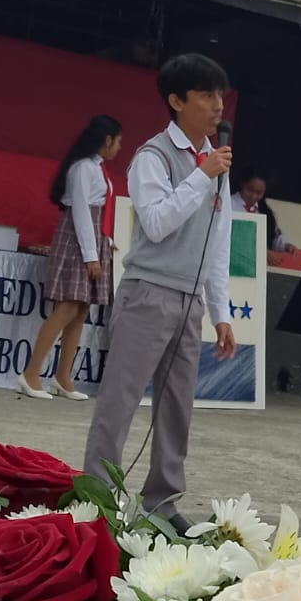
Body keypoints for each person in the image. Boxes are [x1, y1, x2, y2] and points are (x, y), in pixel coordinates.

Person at [83, 54, 235, 530]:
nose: (218, 105)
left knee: (177, 407)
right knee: (120, 400)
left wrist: (221, 312)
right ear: (176, 101)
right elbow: (156, 222)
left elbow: (218, 240)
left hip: (190, 300)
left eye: (220, 95)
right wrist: (202, 175)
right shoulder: (153, 157)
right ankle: (97, 498)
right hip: (148, 293)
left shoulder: (215, 161)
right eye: (206, 95)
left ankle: (162, 502)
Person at [18, 115, 122, 400]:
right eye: (117, 141)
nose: (119, 147)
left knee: (80, 309)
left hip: (91, 240)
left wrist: (105, 241)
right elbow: (81, 213)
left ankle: (63, 377)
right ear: (107, 140)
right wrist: (91, 255)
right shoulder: (82, 169)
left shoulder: (97, 168)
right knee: (66, 307)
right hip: (78, 241)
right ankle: (30, 374)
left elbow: (98, 214)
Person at [231, 171, 294, 264]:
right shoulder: (229, 205)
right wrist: (261, 252)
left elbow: (273, 236)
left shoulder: (263, 211)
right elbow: (232, 239)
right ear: (242, 184)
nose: (253, 196)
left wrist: (285, 246)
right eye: (249, 190)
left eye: (259, 193)